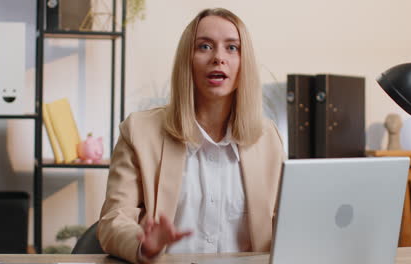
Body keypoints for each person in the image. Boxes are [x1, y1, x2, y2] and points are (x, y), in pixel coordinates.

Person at [97, 8, 286, 264]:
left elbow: (284, 225)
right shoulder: (139, 132)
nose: (218, 57)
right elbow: (113, 221)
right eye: (205, 46)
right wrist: (143, 244)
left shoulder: (268, 138)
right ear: (187, 60)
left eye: (232, 48)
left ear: (245, 63)